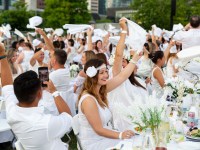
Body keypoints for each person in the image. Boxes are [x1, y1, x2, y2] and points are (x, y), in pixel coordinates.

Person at [0, 43, 72, 150]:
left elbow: (6, 85)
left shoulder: (12, 111)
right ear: (39, 94)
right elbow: (68, 116)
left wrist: (2, 55)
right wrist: (54, 92)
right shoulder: (47, 123)